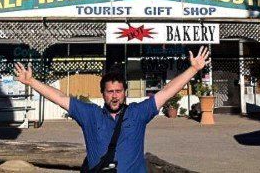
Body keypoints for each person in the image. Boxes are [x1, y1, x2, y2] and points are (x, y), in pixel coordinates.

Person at [14, 46, 211, 173]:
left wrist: (193, 70)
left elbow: (167, 91)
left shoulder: (137, 113)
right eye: (110, 92)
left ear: (125, 92)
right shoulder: (90, 115)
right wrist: (31, 81)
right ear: (103, 93)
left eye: (118, 91)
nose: (114, 96)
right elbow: (60, 97)